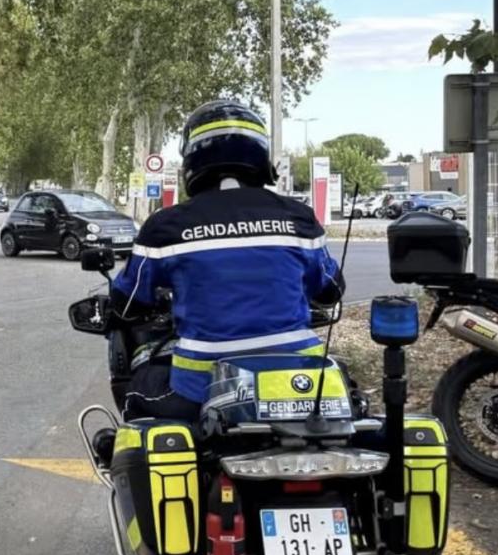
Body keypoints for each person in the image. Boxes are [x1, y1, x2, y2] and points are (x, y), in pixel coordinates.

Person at [110, 99, 343, 422]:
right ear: (261, 155)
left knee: (137, 392)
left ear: (192, 158)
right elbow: (331, 290)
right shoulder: (299, 218)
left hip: (200, 388)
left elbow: (129, 300)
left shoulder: (166, 226)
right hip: (302, 385)